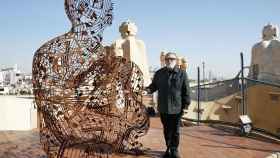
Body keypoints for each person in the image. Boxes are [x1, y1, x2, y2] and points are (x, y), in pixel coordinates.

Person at [146, 52, 191, 158]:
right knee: (166, 129)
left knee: (175, 130)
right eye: (167, 59)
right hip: (163, 107)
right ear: (165, 61)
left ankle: (174, 150)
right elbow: (153, 86)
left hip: (177, 108)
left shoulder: (182, 74)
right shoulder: (159, 73)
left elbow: (186, 91)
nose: (169, 61)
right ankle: (168, 148)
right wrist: (146, 90)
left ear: (176, 61)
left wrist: (185, 107)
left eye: (172, 59)